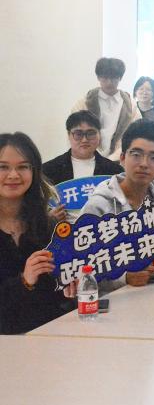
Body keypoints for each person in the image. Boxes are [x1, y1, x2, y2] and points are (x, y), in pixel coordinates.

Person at [80, 120, 154, 294]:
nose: (144, 163)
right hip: (114, 303)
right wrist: (124, 277)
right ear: (122, 158)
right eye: (136, 154)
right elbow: (79, 268)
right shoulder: (99, 206)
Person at [0, 132, 76, 334]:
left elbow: (56, 297)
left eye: (23, 167)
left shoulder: (47, 225)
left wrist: (70, 287)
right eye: (3, 167)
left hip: (50, 336)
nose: (13, 175)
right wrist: (24, 281)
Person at [73, 57, 140, 159]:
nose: (109, 82)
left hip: (120, 159)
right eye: (105, 78)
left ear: (120, 78)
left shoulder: (131, 105)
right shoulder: (84, 103)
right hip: (89, 156)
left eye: (113, 78)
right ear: (98, 77)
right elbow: (74, 131)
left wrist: (114, 158)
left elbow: (135, 133)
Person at [42, 111, 124, 187]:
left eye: (90, 133)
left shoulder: (115, 171)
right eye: (78, 134)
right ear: (69, 135)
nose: (84, 140)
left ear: (99, 135)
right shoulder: (48, 170)